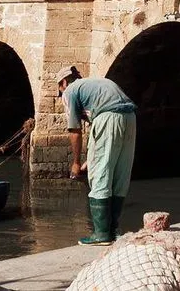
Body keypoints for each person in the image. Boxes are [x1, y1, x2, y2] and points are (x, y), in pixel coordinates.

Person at [57, 66, 137, 246]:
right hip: (130, 118)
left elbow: (75, 131)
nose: (61, 94)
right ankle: (114, 230)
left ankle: (101, 234)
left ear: (63, 83)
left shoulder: (69, 91)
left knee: (100, 176)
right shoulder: (97, 83)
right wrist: (91, 158)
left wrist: (76, 163)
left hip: (107, 118)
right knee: (119, 174)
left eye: (60, 90)